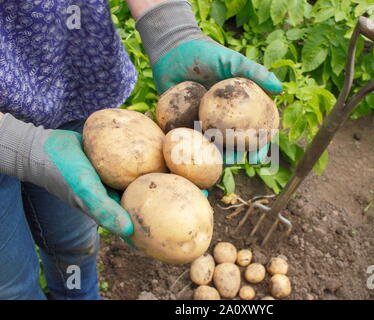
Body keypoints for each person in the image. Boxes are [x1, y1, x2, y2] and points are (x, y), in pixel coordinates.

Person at [0, 0, 282, 299]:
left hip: (69, 88)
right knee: (10, 281)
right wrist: (14, 143)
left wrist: (169, 27)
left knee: (74, 241)